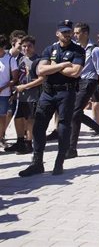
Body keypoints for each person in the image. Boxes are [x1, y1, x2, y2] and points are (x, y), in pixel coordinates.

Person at [19, 20, 85, 177]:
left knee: (63, 128)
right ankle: (37, 163)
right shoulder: (50, 49)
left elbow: (75, 72)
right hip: (48, 93)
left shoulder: (78, 51)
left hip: (66, 93)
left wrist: (53, 67)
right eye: (63, 32)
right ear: (57, 34)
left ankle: (59, 162)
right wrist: (62, 65)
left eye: (69, 31)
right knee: (39, 127)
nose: (67, 34)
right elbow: (41, 70)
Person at [67, 22, 99, 158]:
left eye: (78, 32)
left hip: (89, 81)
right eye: (74, 32)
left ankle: (72, 148)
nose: (75, 35)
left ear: (85, 33)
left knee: (75, 112)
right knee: (75, 113)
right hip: (76, 82)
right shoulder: (76, 48)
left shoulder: (95, 50)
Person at [12, 36, 45, 155]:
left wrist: (25, 87)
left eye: (29, 46)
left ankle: (28, 144)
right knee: (18, 119)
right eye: (24, 46)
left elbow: (41, 79)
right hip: (22, 95)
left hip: (34, 95)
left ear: (33, 47)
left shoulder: (39, 60)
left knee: (31, 120)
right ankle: (20, 141)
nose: (26, 48)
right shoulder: (21, 60)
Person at [0, 34, 19, 148]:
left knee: (2, 118)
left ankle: (1, 137)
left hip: (4, 94)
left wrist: (3, 88)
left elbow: (15, 78)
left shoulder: (10, 59)